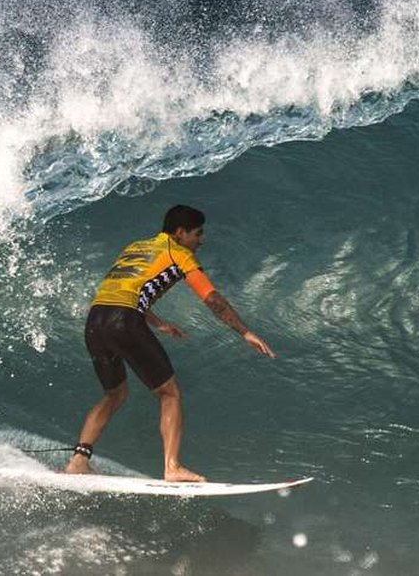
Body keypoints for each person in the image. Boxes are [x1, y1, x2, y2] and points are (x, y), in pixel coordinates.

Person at [64, 205, 275, 482]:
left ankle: (78, 460)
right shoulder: (180, 254)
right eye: (197, 234)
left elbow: (124, 288)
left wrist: (157, 322)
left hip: (96, 321)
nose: (201, 240)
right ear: (180, 233)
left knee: (115, 394)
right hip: (124, 321)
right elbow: (213, 299)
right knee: (169, 394)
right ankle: (172, 467)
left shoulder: (136, 247)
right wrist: (245, 332)